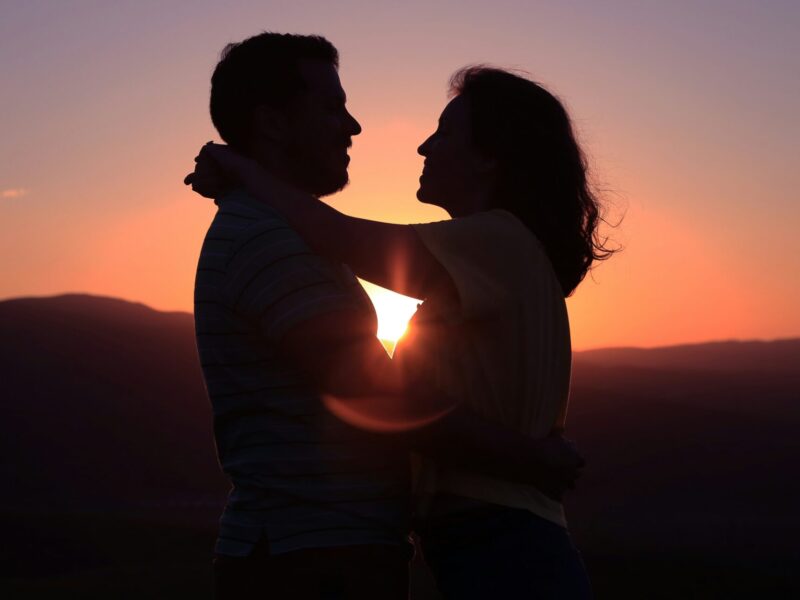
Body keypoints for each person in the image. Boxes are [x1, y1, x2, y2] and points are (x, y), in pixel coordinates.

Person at [190, 63, 612, 598]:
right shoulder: (489, 257)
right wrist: (526, 455)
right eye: (332, 107)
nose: (423, 147)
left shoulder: (497, 242)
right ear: (273, 123)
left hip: (502, 541)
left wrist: (241, 169)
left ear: (489, 157)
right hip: (480, 539)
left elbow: (339, 234)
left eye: (445, 133)